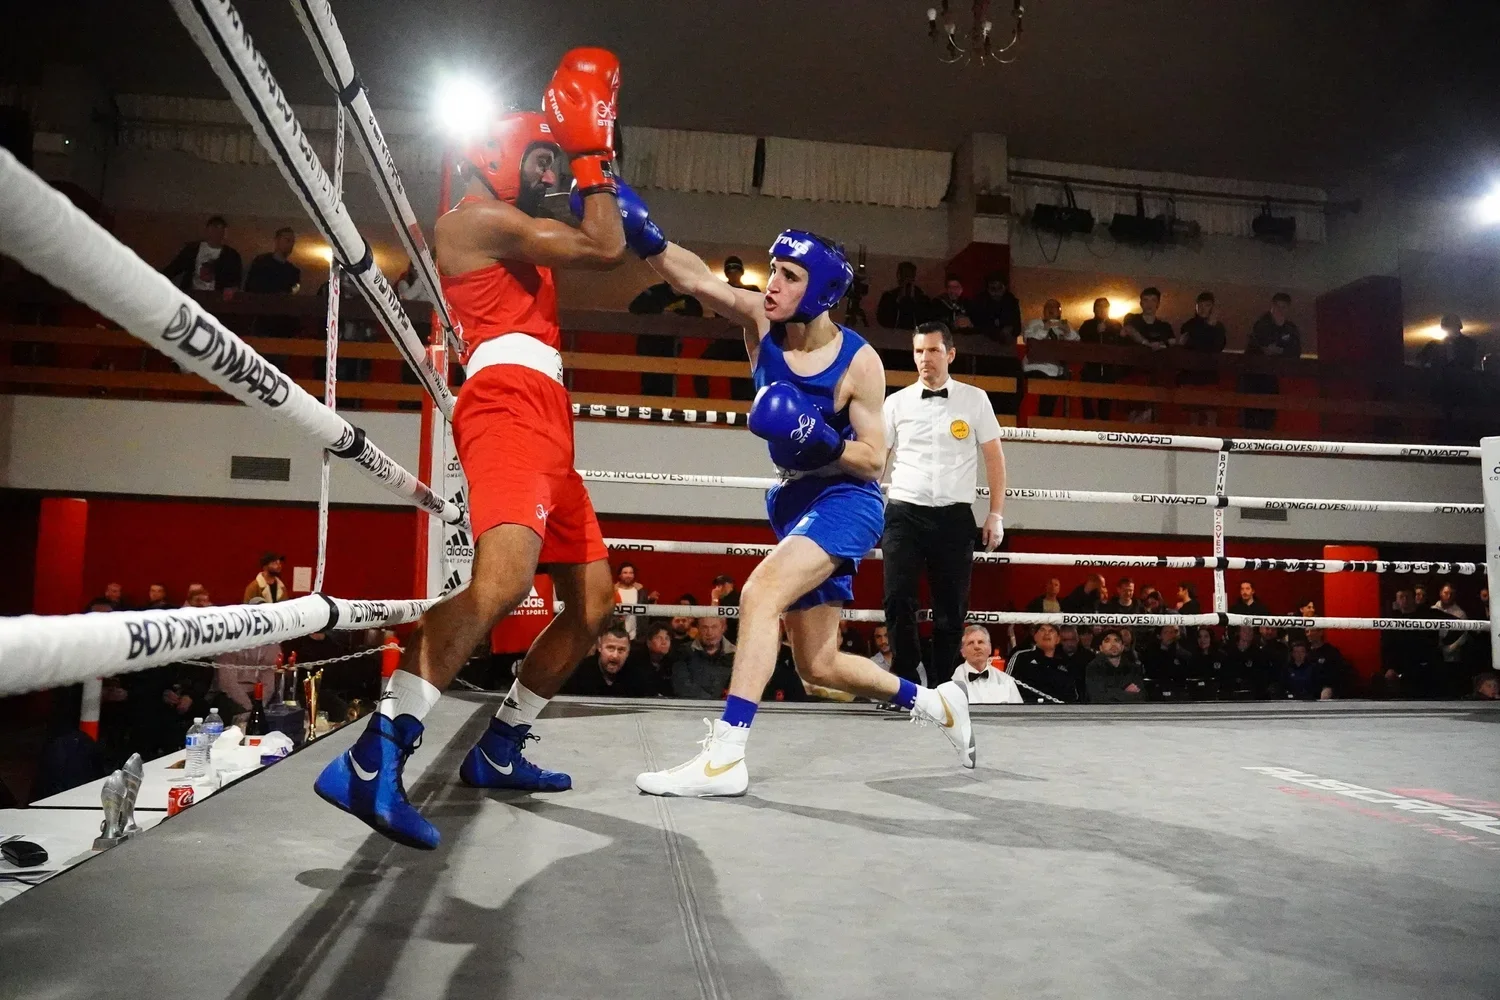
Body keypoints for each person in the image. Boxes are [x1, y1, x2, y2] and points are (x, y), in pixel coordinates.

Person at [314, 50, 629, 849]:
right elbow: (605, 246)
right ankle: (375, 755)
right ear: (499, 157)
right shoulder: (475, 219)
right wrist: (593, 154)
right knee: (503, 581)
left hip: (547, 415)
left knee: (595, 604)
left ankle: (500, 746)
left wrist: (597, 170)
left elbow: (610, 236)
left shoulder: (524, 229)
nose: (552, 173)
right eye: (542, 159)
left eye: (557, 161)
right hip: (507, 407)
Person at [629, 221, 974, 796]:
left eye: (789, 276)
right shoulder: (760, 321)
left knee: (759, 594)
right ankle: (937, 704)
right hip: (793, 499)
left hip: (847, 499)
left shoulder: (859, 361)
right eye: (773, 270)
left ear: (821, 290)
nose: (772, 284)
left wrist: (822, 437)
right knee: (818, 665)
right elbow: (692, 278)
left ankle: (725, 757)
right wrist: (643, 234)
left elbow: (874, 460)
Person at [881, 321, 1006, 687]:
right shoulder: (896, 402)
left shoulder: (975, 399)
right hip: (904, 512)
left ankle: (942, 689)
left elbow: (994, 458)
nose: (926, 358)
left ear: (950, 354)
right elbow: (878, 459)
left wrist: (995, 514)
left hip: (954, 517)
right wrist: (866, 508)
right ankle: (905, 683)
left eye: (933, 350)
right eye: (919, 351)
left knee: (951, 609)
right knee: (897, 600)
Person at [696, 257, 759, 400]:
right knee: (702, 365)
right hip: (726, 339)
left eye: (736, 270)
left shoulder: (752, 290)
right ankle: (703, 403)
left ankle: (747, 406)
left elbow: (758, 312)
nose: (733, 274)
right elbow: (719, 311)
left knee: (746, 374)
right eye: (730, 271)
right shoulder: (721, 290)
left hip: (747, 340)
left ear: (741, 272)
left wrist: (741, 319)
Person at [1241, 292, 1301, 430]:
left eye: (1283, 307)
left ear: (1288, 309)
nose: (1280, 310)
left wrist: (1280, 351)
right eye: (1277, 307)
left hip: (1272, 377)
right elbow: (1264, 347)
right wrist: (1277, 349)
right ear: (1272, 307)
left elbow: (1295, 351)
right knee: (1251, 412)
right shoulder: (1261, 325)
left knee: (1269, 413)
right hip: (1253, 376)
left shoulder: (1290, 328)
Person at [1021, 298, 1078, 417]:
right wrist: (1045, 329)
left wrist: (1067, 332)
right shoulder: (1035, 323)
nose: (1051, 309)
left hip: (1057, 370)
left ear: (1060, 311)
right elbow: (1029, 339)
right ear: (1044, 311)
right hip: (1036, 367)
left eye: (1055, 307)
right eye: (1048, 307)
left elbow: (1077, 341)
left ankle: (1046, 420)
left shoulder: (1064, 325)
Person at [1176, 291, 1226, 425]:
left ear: (1212, 307)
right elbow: (1191, 343)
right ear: (1196, 306)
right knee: (1193, 416)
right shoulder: (1189, 325)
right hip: (1191, 376)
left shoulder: (1218, 327)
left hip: (1209, 375)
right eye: (1201, 305)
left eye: (1207, 305)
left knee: (1211, 414)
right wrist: (1208, 327)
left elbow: (1219, 346)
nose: (1203, 309)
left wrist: (1212, 328)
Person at [162, 215, 242, 294]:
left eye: (220, 231)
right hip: (193, 293)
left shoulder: (231, 255)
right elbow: (174, 268)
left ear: (225, 233)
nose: (216, 234)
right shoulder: (192, 250)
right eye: (214, 229)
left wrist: (232, 289)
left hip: (217, 296)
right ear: (207, 230)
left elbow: (236, 280)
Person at [562, 626, 652, 697]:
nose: (615, 655)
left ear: (628, 652)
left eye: (621, 650)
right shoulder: (578, 673)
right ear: (599, 647)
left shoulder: (638, 677)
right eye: (610, 648)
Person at [1007, 624, 1081, 703]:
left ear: (1058, 639)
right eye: (1042, 630)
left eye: (1051, 631)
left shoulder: (1066, 664)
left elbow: (1073, 698)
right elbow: (1006, 684)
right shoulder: (1021, 657)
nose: (1047, 633)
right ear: (1035, 636)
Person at [1076, 297, 1124, 421]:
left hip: (1109, 370)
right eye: (1099, 306)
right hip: (1091, 369)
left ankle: (1103, 425)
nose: (1102, 309)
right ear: (1094, 309)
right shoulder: (1087, 325)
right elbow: (1081, 341)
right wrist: (1095, 332)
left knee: (1106, 405)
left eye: (1105, 306)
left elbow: (1121, 343)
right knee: (1087, 400)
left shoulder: (1116, 325)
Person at [672, 616, 737, 700]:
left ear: (723, 628)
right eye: (704, 627)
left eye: (714, 627)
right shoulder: (683, 652)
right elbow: (682, 686)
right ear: (698, 628)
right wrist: (712, 702)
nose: (709, 633)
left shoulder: (736, 655)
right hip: (693, 706)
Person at [954, 625, 1022, 704]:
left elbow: (1018, 711)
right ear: (962, 652)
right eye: (971, 643)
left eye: (981, 642)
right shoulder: (953, 680)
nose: (976, 647)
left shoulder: (1006, 681)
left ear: (990, 648)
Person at [1085, 630, 1143, 704]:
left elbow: (1141, 697)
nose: (1113, 644)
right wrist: (1126, 692)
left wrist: (1111, 692)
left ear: (1122, 647)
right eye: (1107, 641)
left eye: (1117, 640)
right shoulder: (1093, 668)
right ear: (1101, 648)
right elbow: (1098, 698)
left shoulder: (1133, 668)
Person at [627, 621, 680, 697]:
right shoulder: (635, 661)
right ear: (648, 642)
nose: (664, 642)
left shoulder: (672, 662)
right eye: (659, 638)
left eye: (667, 638)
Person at [244, 227, 301, 295]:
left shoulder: (293, 271)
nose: (291, 244)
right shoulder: (261, 262)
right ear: (277, 241)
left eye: (293, 242)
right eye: (287, 240)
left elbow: (294, 292)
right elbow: (251, 287)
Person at [876, 261, 929, 330]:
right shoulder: (888, 297)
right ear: (898, 276)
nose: (907, 279)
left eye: (910, 276)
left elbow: (926, 320)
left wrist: (914, 301)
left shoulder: (922, 297)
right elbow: (883, 319)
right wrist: (897, 302)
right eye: (905, 275)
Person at [613, 561, 643, 639]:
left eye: (631, 573)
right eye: (625, 573)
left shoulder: (639, 591)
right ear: (620, 575)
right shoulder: (613, 591)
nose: (628, 575)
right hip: (617, 635)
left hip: (635, 637)